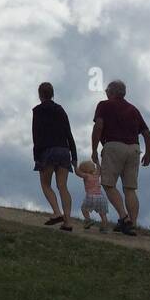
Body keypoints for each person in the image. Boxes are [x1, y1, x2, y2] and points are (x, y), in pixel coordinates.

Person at [91, 79, 150, 236]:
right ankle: (133, 223)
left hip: (113, 146)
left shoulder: (104, 105)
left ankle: (124, 218)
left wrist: (94, 149)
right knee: (130, 188)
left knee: (108, 183)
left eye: (107, 90)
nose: (105, 92)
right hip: (134, 149)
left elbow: (98, 126)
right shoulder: (133, 110)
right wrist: (148, 153)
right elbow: (147, 134)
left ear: (111, 92)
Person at [32, 81, 77, 230]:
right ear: (52, 94)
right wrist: (74, 155)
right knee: (62, 186)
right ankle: (68, 222)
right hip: (64, 150)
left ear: (40, 95)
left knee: (45, 184)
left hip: (47, 150)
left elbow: (36, 134)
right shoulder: (60, 110)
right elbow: (68, 133)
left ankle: (57, 212)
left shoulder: (38, 111)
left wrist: (36, 155)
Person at [76, 159, 109, 231]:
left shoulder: (86, 175)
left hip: (91, 196)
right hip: (101, 197)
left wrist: (75, 166)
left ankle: (88, 220)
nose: (94, 167)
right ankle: (104, 226)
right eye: (93, 166)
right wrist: (97, 162)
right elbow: (99, 169)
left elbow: (78, 173)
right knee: (103, 213)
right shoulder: (97, 175)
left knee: (84, 209)